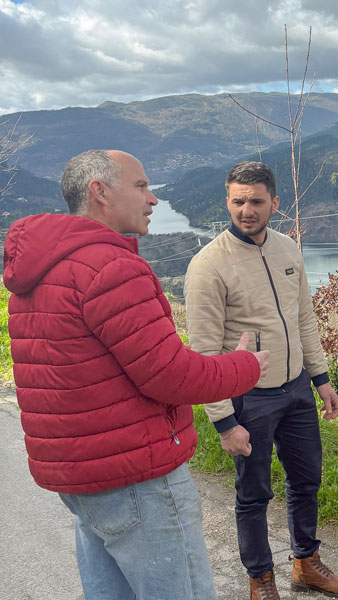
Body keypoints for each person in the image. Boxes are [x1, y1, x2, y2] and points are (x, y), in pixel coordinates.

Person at [2, 150, 270, 600]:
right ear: (99, 192)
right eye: (141, 187)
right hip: (135, 475)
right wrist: (244, 366)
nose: (153, 200)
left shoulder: (39, 271)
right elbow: (170, 376)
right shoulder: (110, 267)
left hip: (81, 473)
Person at [184, 161, 338, 599]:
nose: (247, 210)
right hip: (247, 397)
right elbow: (204, 352)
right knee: (254, 493)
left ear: (274, 203)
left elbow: (304, 320)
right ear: (227, 201)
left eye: (256, 201)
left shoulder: (287, 249)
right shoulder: (208, 265)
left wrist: (321, 378)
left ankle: (306, 564)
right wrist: (224, 422)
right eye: (238, 201)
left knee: (306, 481)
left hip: (296, 387)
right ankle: (261, 580)